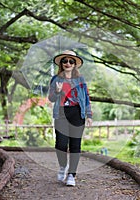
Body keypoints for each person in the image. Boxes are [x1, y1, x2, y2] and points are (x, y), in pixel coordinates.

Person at [48, 50, 93, 187]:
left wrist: (89, 114)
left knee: (75, 145)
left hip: (77, 114)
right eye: (65, 61)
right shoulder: (56, 79)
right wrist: (56, 91)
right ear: (61, 64)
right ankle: (63, 167)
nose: (68, 63)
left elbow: (86, 97)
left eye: (71, 61)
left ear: (75, 65)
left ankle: (72, 175)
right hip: (61, 114)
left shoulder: (80, 80)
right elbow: (51, 98)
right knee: (61, 145)